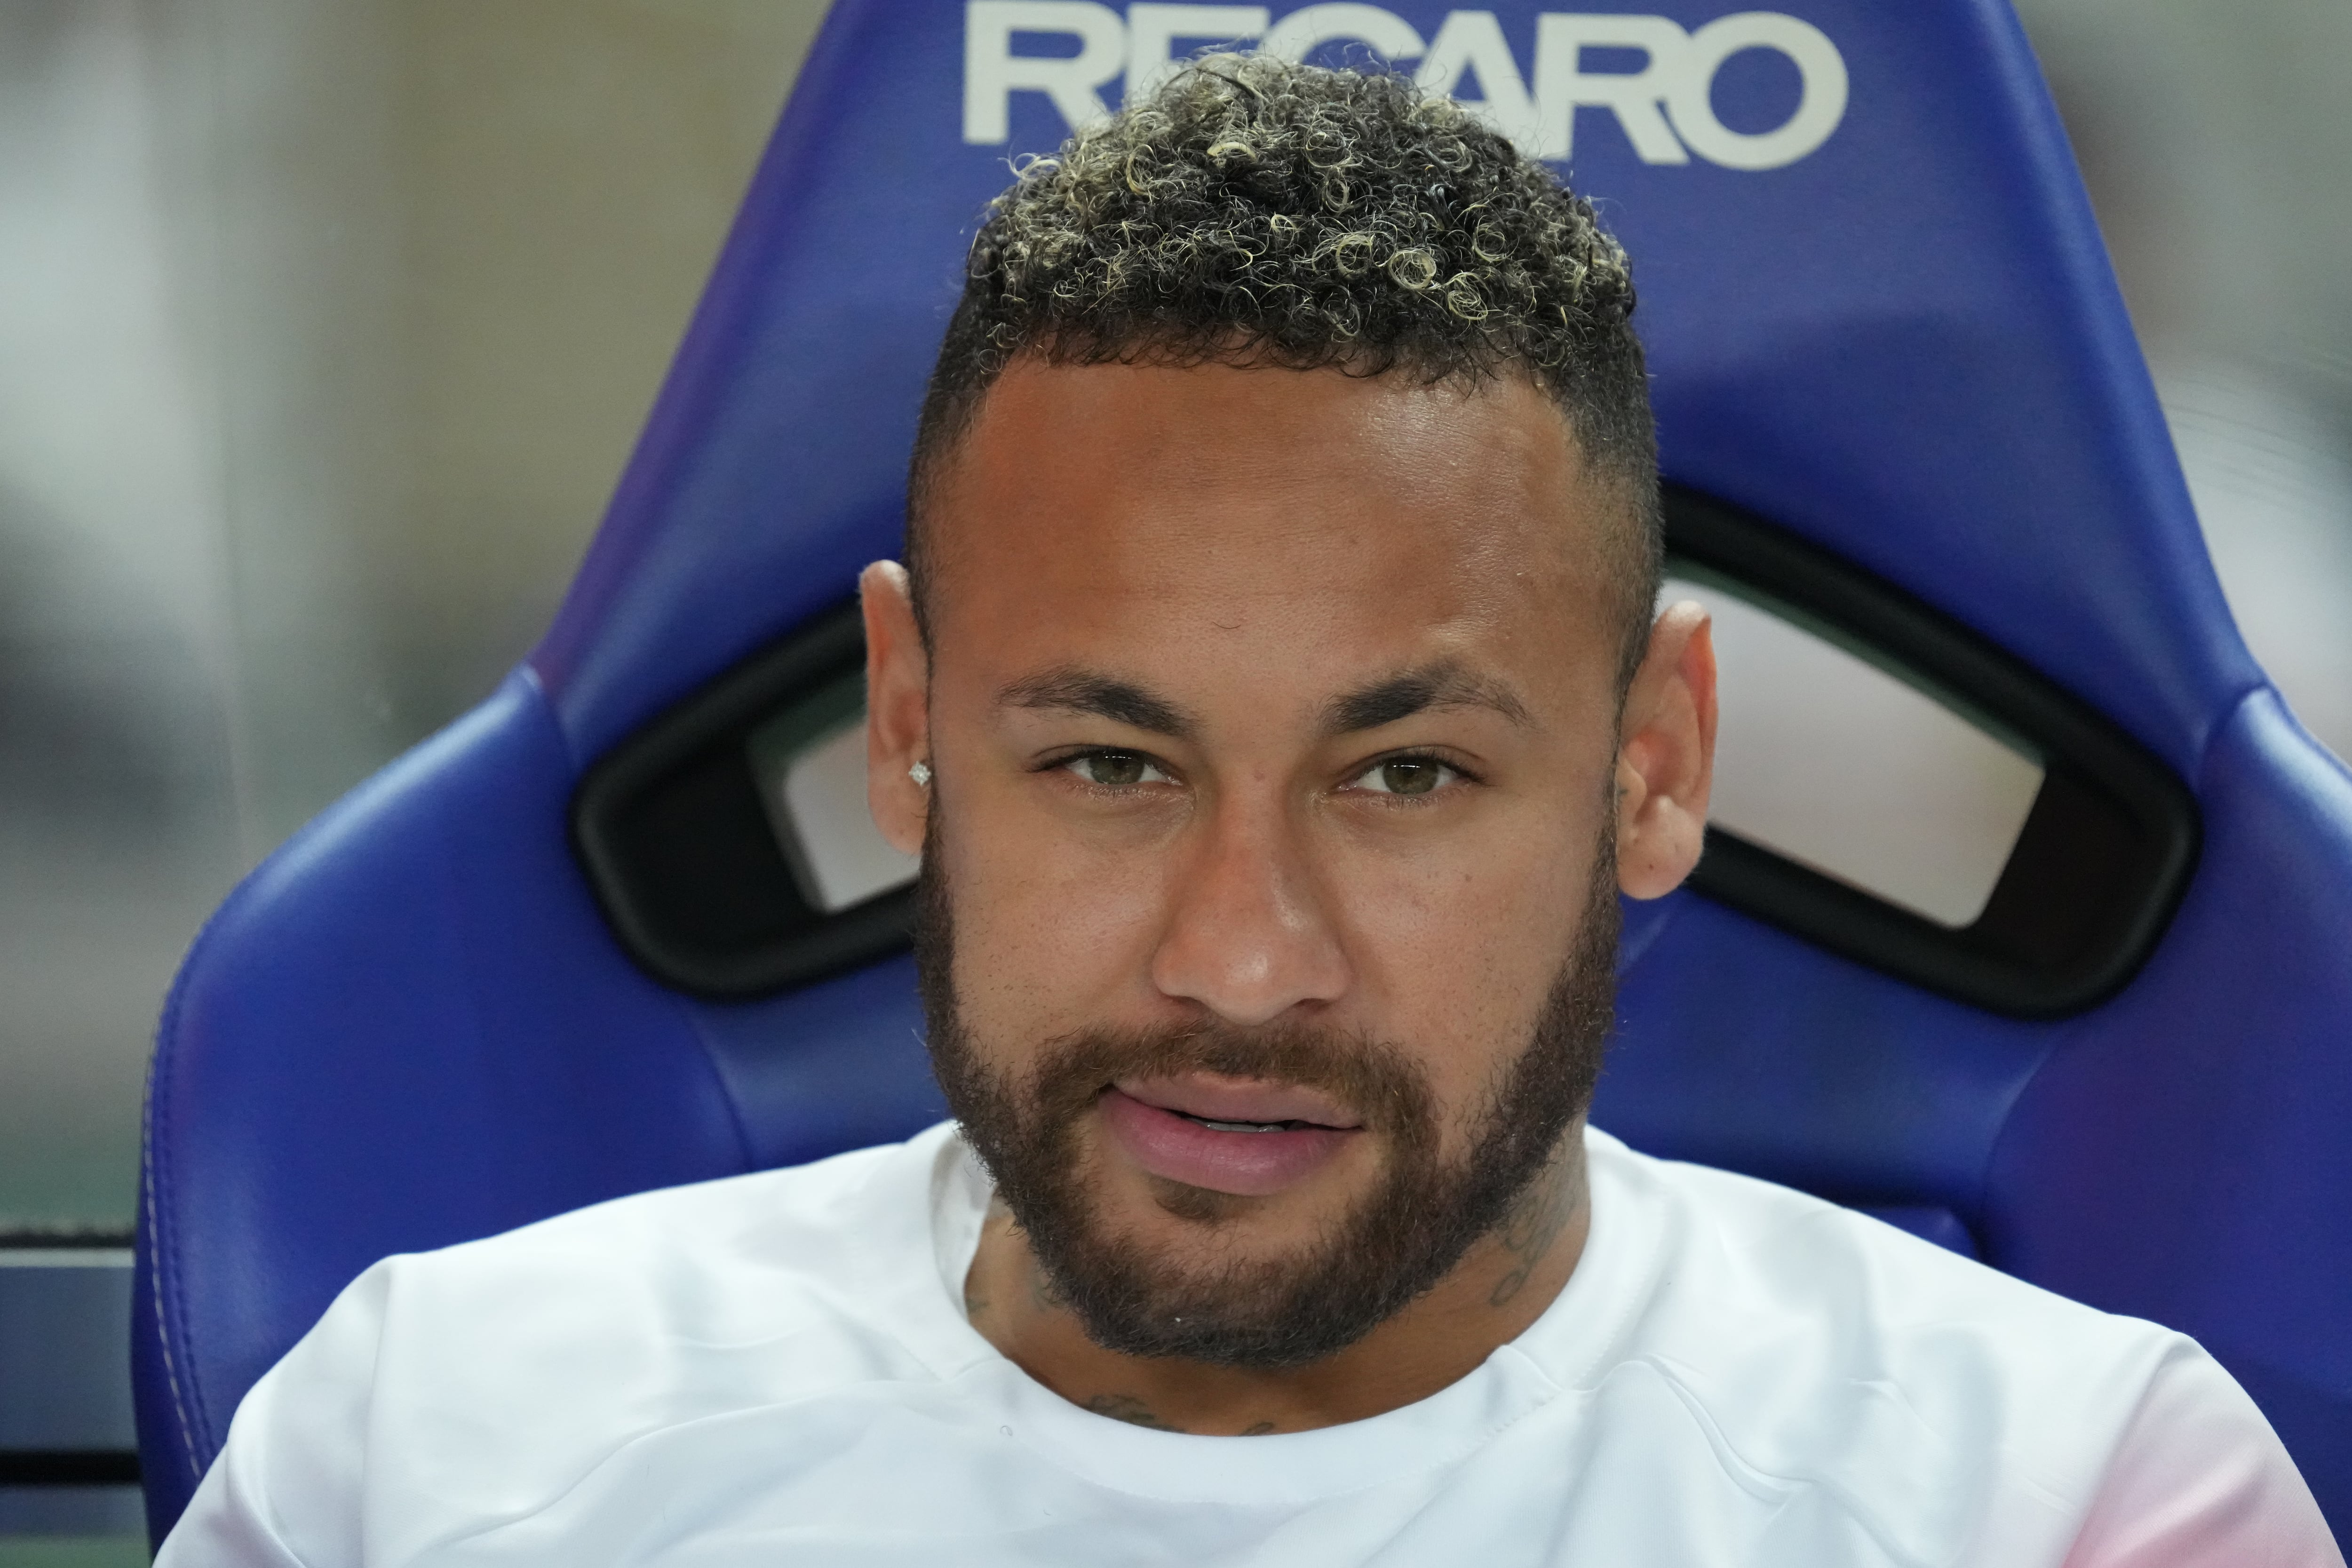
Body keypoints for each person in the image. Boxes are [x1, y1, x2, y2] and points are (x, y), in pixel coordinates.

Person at [158, 55, 2338, 1567]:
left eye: (1403, 776)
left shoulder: (2056, 1505)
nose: (1237, 957)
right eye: (1110, 763)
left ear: (1656, 761)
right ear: (905, 726)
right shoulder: (427, 1461)